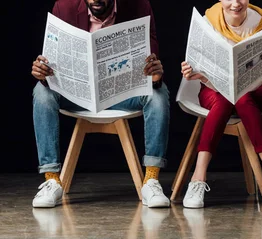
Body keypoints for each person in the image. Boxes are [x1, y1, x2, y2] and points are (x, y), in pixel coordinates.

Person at [31, 0, 171, 208]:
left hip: (122, 93)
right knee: (41, 93)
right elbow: (52, 61)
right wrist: (42, 72)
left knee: (159, 96)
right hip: (77, 94)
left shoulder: (139, 6)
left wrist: (156, 74)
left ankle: (151, 179)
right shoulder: (63, 7)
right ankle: (51, 180)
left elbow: (151, 61)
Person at [180, 0, 262, 208]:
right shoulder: (207, 22)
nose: (236, 4)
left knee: (243, 97)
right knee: (229, 100)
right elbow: (197, 66)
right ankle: (198, 179)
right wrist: (191, 71)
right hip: (213, 88)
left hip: (259, 87)